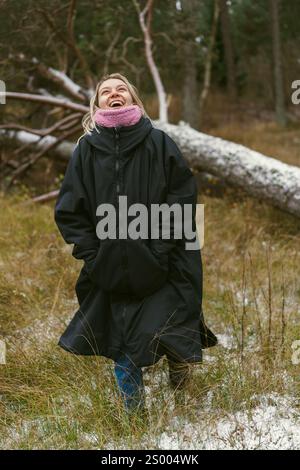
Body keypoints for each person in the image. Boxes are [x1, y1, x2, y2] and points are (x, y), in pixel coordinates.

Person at [54, 72, 217, 416]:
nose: (114, 94)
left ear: (134, 100)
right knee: (123, 340)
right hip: (109, 268)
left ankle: (183, 398)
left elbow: (183, 198)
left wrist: (160, 248)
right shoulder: (85, 149)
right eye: (106, 92)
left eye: (121, 89)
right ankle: (135, 418)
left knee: (173, 330)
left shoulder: (158, 143)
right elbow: (70, 211)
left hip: (166, 259)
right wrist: (94, 255)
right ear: (97, 104)